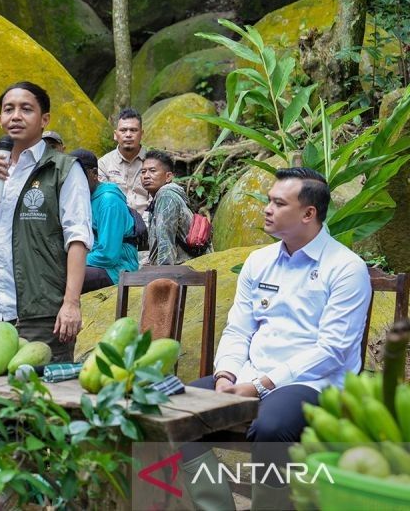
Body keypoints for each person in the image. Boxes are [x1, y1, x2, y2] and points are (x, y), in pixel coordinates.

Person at [181, 168, 372, 511]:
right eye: (268, 200)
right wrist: (226, 375)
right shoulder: (259, 261)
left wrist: (260, 386)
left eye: (278, 203)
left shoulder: (346, 268)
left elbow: (332, 350)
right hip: (249, 374)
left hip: (316, 383)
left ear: (308, 213)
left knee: (271, 426)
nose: (267, 208)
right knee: (178, 411)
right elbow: (238, 329)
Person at [0, 81, 93, 362]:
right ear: (0, 119)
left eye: (26, 109)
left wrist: (71, 303)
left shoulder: (62, 169)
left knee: (43, 400)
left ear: (44, 120)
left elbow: (77, 238)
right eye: (9, 109)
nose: (16, 116)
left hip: (44, 313)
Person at [71, 149, 137, 293]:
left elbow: (109, 255)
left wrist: (72, 261)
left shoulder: (109, 201)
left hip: (116, 268)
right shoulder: (82, 197)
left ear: (94, 174)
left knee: (62, 279)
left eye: (78, 175)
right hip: (92, 261)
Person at [141, 150, 194, 265]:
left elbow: (166, 243)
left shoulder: (166, 196)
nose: (146, 176)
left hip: (185, 270)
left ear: (168, 176)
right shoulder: (159, 198)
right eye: (143, 172)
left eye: (152, 171)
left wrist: (162, 276)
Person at [98, 108, 150, 220]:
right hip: (116, 221)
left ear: (142, 134)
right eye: (123, 130)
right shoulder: (104, 164)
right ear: (115, 135)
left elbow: (157, 198)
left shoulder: (153, 162)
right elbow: (103, 200)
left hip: (149, 221)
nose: (128, 135)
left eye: (133, 130)